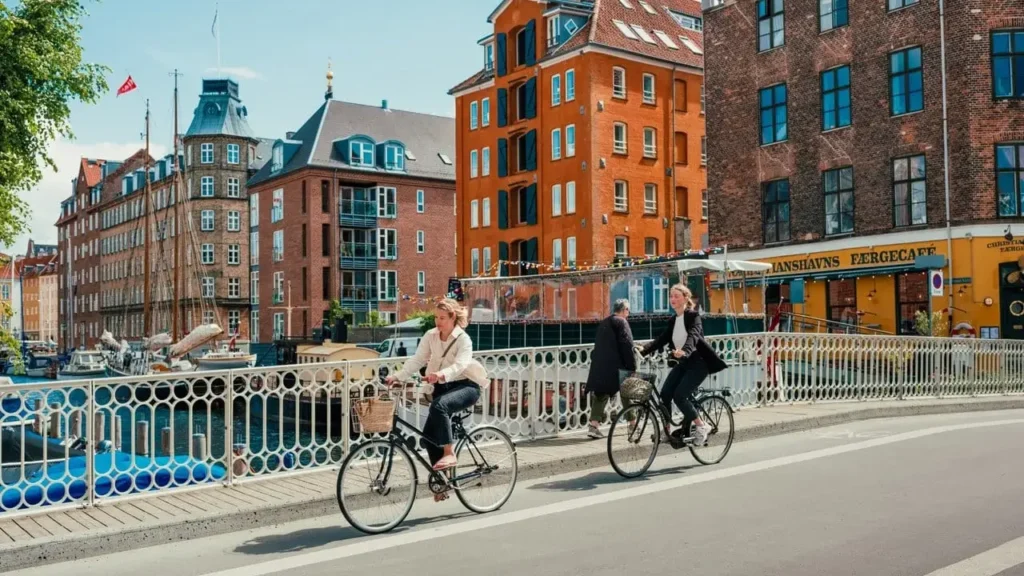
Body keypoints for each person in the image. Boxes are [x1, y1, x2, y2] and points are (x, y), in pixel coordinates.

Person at [385, 298, 481, 480]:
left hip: (466, 387)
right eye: (436, 317)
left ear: (452, 317)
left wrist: (441, 374)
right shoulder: (431, 335)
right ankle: (442, 480)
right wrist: (398, 376)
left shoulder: (463, 339)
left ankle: (449, 453)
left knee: (439, 406)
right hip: (441, 389)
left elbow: (461, 365)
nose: (437, 321)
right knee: (428, 436)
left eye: (442, 318)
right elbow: (418, 359)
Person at [641, 284, 727, 447]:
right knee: (665, 394)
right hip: (683, 363)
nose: (673, 299)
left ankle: (702, 426)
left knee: (680, 396)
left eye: (676, 296)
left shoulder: (693, 316)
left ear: (686, 298)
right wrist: (644, 350)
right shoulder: (674, 320)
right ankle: (666, 431)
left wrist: (685, 350)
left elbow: (694, 335)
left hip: (698, 364)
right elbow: (663, 338)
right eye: (671, 296)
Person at [584, 299, 637, 439]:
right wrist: (632, 367)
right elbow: (627, 345)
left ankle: (593, 426)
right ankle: (633, 425)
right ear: (624, 309)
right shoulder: (622, 322)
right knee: (627, 393)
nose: (628, 313)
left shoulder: (604, 322)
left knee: (601, 395)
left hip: (601, 365)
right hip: (618, 366)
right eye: (628, 310)